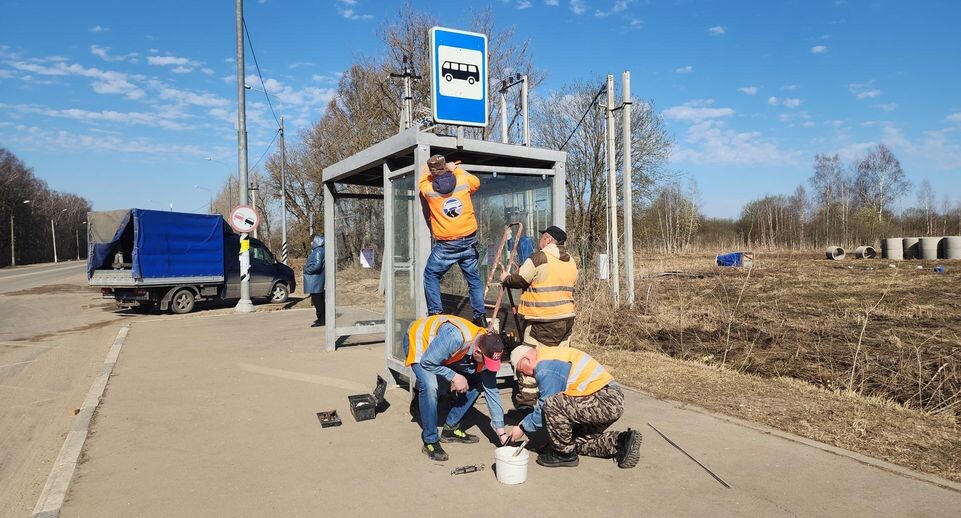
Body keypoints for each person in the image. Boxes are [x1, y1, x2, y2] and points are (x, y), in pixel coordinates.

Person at [506, 345, 641, 469]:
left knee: (552, 404)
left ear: (527, 359)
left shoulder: (544, 367)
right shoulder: (550, 354)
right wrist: (552, 441)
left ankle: (563, 455)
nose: (524, 375)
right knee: (573, 444)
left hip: (604, 400)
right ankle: (622, 441)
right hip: (606, 401)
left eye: (521, 370)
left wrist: (522, 427)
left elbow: (545, 407)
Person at [404, 314, 507, 461]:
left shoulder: (487, 346)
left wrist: (501, 433)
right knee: (430, 386)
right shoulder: (456, 338)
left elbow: (492, 391)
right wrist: (455, 376)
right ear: (477, 352)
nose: (487, 366)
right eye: (486, 362)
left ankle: (450, 428)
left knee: (479, 382)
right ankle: (430, 441)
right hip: (420, 342)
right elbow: (427, 362)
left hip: (442, 349)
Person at [500, 225, 578, 407]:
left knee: (530, 357)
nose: (539, 240)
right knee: (558, 357)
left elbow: (520, 279)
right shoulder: (571, 261)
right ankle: (558, 398)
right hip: (566, 319)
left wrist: (505, 277)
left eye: (542, 237)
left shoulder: (539, 257)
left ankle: (526, 403)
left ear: (549, 239)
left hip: (542, 320)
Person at [419, 154, 486, 328]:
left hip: (446, 245)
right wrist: (455, 168)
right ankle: (480, 316)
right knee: (474, 279)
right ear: (446, 168)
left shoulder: (429, 189)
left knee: (431, 275)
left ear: (433, 173)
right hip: (468, 240)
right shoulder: (463, 179)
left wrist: (430, 170)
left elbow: (422, 179)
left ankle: (435, 312)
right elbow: (476, 182)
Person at [302, 235, 325, 327]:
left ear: (315, 241)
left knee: (317, 301)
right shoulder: (319, 250)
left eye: (311, 241)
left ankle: (321, 320)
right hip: (317, 280)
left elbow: (316, 266)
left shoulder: (318, 251)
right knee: (319, 300)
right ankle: (321, 319)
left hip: (316, 280)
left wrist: (306, 270)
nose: (310, 243)